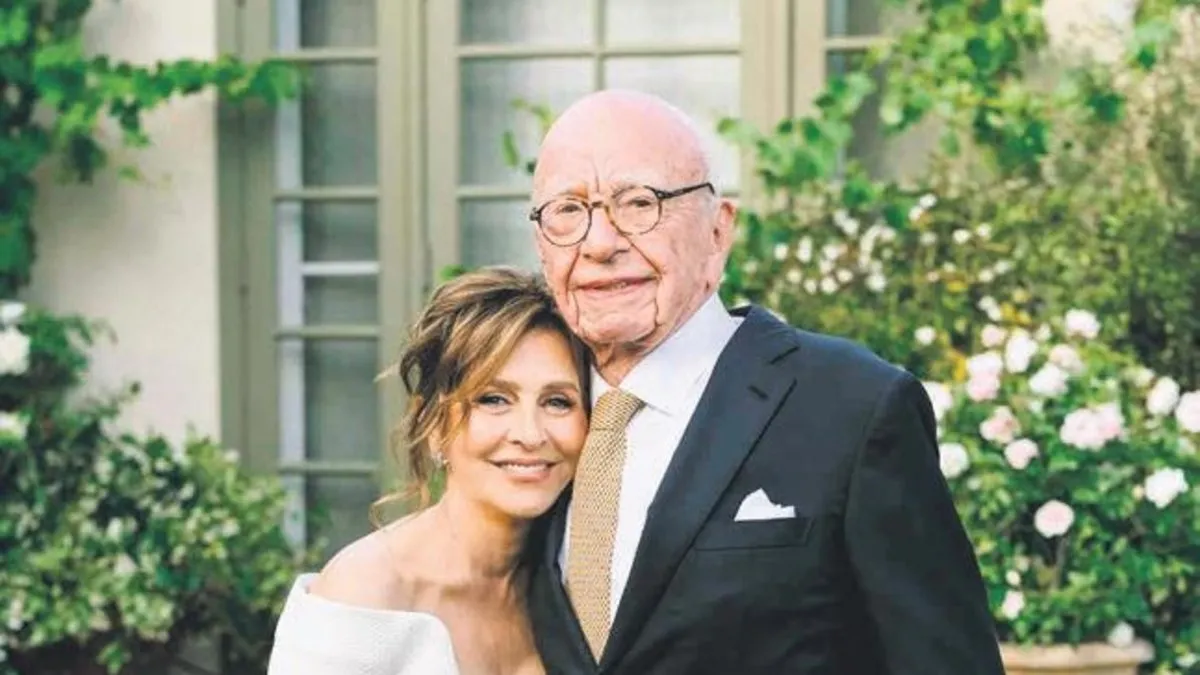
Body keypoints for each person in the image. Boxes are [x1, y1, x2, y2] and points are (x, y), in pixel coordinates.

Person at [524, 89, 1007, 675]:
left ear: (718, 232)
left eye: (639, 203)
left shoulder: (853, 408)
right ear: (542, 246)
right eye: (568, 211)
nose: (600, 243)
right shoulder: (519, 426)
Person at [267, 267, 590, 675]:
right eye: (493, 399)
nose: (530, 434)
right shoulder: (365, 592)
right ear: (434, 423)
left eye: (558, 402)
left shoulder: (577, 587)